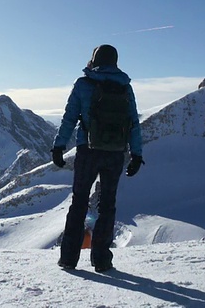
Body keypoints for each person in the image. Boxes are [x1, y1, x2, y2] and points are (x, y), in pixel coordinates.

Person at [52, 44, 144, 272]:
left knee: (79, 203)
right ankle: (102, 259)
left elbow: (69, 118)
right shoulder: (125, 87)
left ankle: (68, 258)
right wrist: (136, 154)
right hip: (115, 153)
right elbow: (133, 122)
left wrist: (59, 146)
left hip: (88, 151)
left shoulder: (84, 84)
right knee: (107, 206)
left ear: (94, 59)